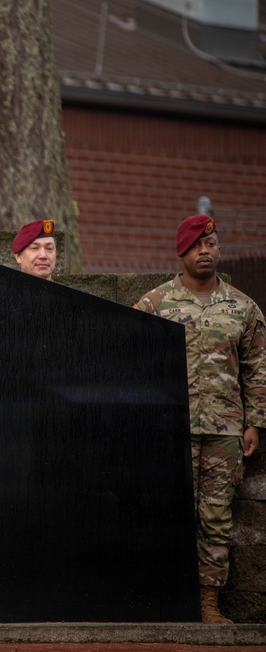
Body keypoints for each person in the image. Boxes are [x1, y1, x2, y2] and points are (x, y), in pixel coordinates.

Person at [135, 214, 265, 624]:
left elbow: (258, 367)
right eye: (195, 246)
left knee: (216, 519)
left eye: (211, 244)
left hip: (225, 432)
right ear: (181, 252)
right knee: (168, 514)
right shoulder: (155, 305)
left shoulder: (243, 308)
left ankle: (208, 604)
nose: (204, 252)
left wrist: (255, 422)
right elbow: (130, 361)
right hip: (171, 431)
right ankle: (164, 601)